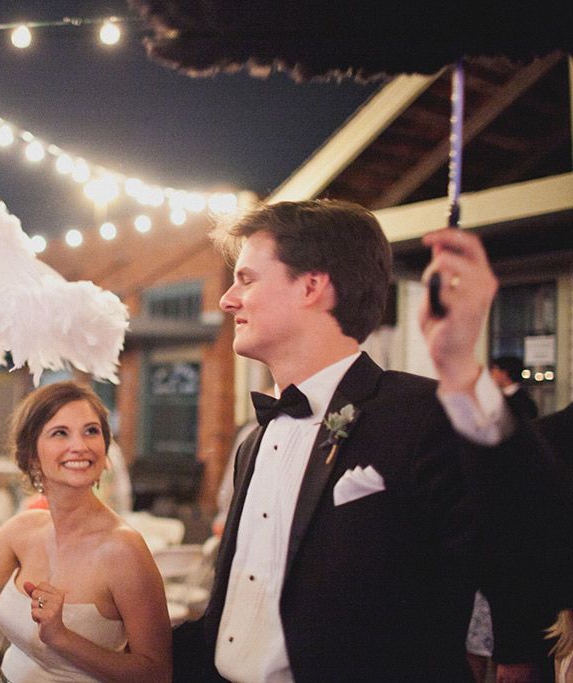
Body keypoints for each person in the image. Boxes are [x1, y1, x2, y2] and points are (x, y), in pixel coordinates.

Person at [174, 199, 569, 682]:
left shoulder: (424, 415)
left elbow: (538, 544)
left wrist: (464, 371)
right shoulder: (253, 443)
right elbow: (233, 622)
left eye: (248, 278)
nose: (227, 299)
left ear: (312, 286)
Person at [0, 381, 172, 683]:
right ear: (32, 456)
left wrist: (63, 638)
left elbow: (156, 674)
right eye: (60, 433)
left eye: (91, 431)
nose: (80, 445)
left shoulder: (123, 550)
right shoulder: (25, 529)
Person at [490, 355, 538, 420]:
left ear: (504, 373)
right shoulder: (498, 396)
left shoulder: (522, 403)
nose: (491, 374)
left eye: (494, 370)